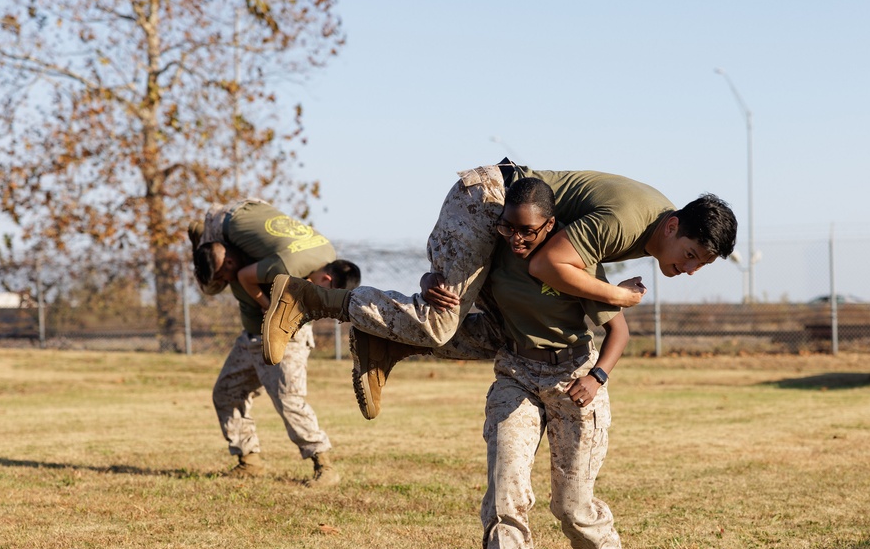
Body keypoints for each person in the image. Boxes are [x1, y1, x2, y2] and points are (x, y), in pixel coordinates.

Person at [261, 160, 737, 419]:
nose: (690, 269)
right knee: (439, 318)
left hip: (515, 228)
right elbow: (551, 265)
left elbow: (559, 261)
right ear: (674, 226)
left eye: (701, 265)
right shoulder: (626, 223)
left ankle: (387, 344)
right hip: (492, 203)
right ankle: (310, 298)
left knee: (508, 331)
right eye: (691, 255)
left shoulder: (650, 228)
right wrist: (617, 297)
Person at [469, 178, 630, 549]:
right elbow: (455, 281)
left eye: (529, 231)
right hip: (515, 374)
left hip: (573, 378)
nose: (517, 239)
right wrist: (432, 281)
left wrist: (596, 378)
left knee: (571, 503)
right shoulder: (494, 251)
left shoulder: (570, 260)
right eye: (508, 229)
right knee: (505, 487)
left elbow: (618, 332)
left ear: (550, 225)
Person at [189, 198, 361, 487]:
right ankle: (249, 461)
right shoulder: (267, 258)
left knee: (289, 399)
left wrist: (273, 310)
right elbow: (239, 270)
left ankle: (324, 463)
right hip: (251, 337)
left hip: (287, 338)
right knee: (227, 392)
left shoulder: (293, 264)